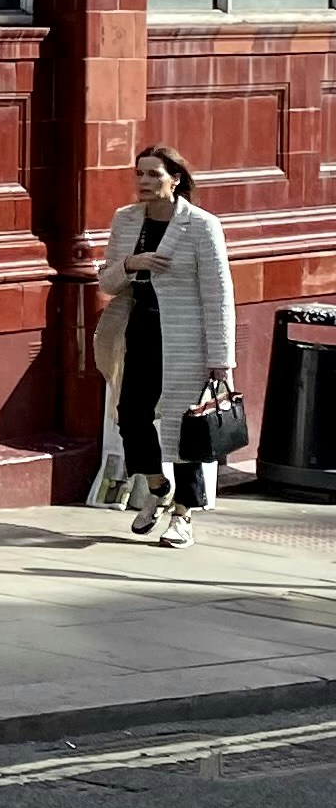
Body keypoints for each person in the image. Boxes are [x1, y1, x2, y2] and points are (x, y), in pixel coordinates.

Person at [96, 144, 238, 544]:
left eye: (154, 174)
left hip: (187, 338)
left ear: (175, 180)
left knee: (186, 425)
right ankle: (159, 488)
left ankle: (184, 514)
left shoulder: (202, 225)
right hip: (140, 330)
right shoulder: (126, 219)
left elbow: (218, 294)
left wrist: (221, 358)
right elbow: (107, 281)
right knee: (130, 416)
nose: (144, 182)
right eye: (139, 174)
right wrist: (131, 264)